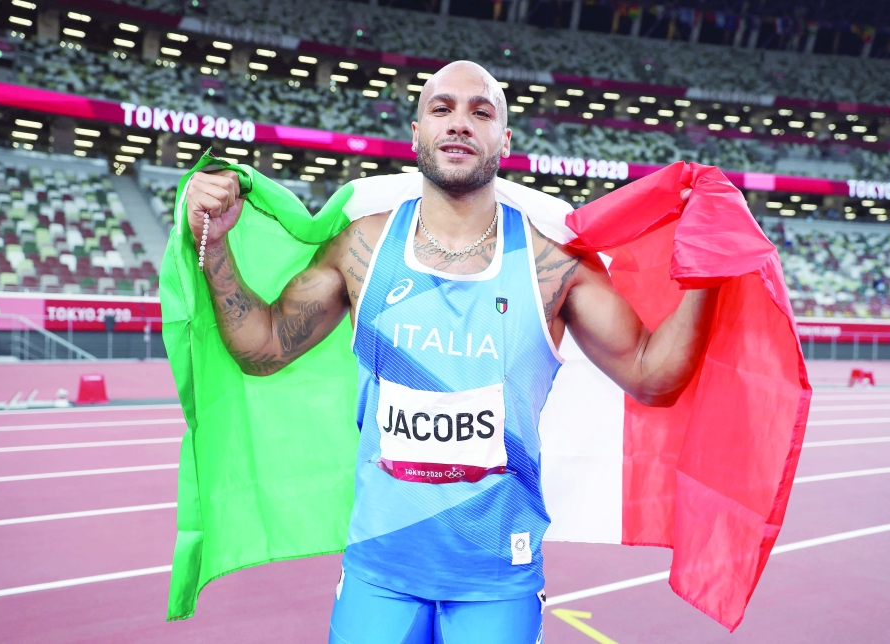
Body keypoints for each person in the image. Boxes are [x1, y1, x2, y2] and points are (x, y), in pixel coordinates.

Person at [186, 61, 718, 644]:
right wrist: (212, 242)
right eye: (441, 109)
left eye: (480, 112)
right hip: (381, 571)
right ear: (416, 133)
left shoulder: (552, 266)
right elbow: (262, 348)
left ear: (504, 139)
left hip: (497, 576)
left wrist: (708, 269)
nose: (460, 123)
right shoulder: (362, 246)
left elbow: (652, 376)